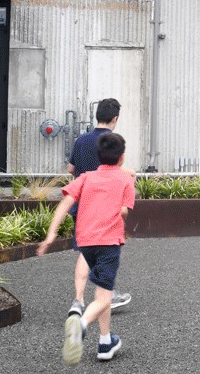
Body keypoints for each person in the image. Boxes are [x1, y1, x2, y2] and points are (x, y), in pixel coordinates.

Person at [38, 132, 135, 364]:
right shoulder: (125, 180)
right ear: (121, 158)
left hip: (86, 243)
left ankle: (105, 342)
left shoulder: (86, 177)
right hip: (109, 243)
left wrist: (51, 234)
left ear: (98, 156)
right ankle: (80, 326)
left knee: (101, 291)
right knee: (104, 297)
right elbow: (124, 211)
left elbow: (65, 203)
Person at [66, 98, 132, 316]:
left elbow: (70, 168)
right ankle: (106, 296)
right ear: (114, 119)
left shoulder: (81, 141)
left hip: (81, 206)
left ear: (97, 116)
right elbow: (112, 171)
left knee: (85, 253)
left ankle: (78, 300)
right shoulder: (111, 142)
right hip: (105, 209)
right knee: (105, 253)